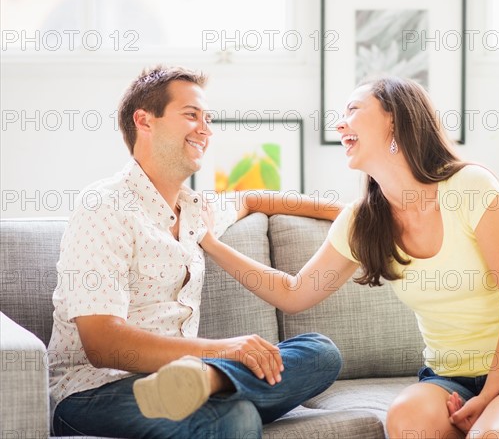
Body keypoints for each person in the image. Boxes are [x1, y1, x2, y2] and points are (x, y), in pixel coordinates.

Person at [199, 77, 499, 439]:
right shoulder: (363, 221)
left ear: (394, 119)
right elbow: (294, 293)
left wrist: (488, 395)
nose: (339, 124)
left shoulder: (470, 188)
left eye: (352, 110)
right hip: (449, 379)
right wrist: (212, 242)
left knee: (493, 434)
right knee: (404, 419)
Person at [48, 65, 343, 439]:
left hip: (190, 380)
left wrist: (348, 213)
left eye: (208, 118)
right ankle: (208, 379)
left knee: (320, 353)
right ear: (145, 121)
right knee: (233, 418)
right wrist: (223, 350)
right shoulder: (104, 206)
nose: (206, 129)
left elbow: (253, 199)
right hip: (94, 392)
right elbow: (103, 344)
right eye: (191, 115)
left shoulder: (195, 210)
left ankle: (206, 381)